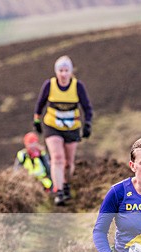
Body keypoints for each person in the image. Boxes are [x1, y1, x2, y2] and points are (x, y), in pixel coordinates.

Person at [33, 55, 93, 206]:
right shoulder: (49, 85)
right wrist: (37, 120)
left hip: (72, 128)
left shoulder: (77, 86)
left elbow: (87, 108)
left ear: (71, 71)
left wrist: (87, 125)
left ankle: (66, 184)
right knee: (57, 158)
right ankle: (58, 191)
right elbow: (40, 104)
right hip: (52, 126)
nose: (64, 74)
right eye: (61, 70)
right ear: (56, 72)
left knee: (68, 162)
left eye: (66, 70)